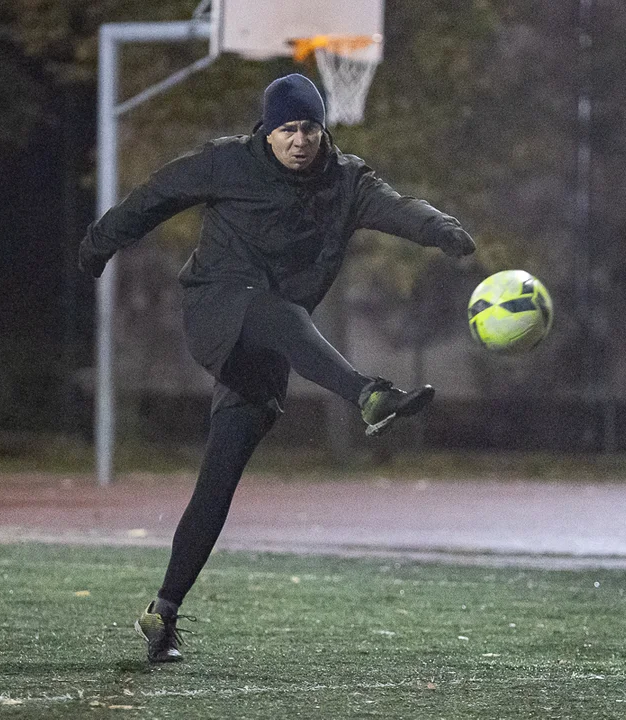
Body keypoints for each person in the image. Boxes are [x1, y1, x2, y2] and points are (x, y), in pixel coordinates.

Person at [78, 74, 475, 663]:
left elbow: (397, 208)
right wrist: (100, 242)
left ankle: (163, 614)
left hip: (268, 347)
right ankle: (366, 392)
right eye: (287, 129)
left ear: (323, 130)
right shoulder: (226, 163)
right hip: (216, 308)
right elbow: (156, 196)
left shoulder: (346, 182)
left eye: (309, 128)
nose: (299, 140)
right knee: (275, 310)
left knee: (219, 478)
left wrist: (440, 229)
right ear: (266, 131)